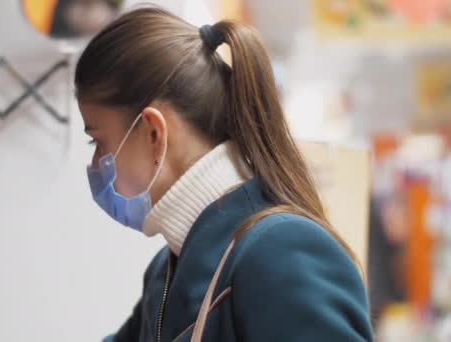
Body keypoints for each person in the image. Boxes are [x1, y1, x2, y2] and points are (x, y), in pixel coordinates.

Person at [76, 7, 373, 342]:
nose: (96, 163)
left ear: (154, 134)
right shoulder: (166, 271)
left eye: (98, 141)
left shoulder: (281, 252)